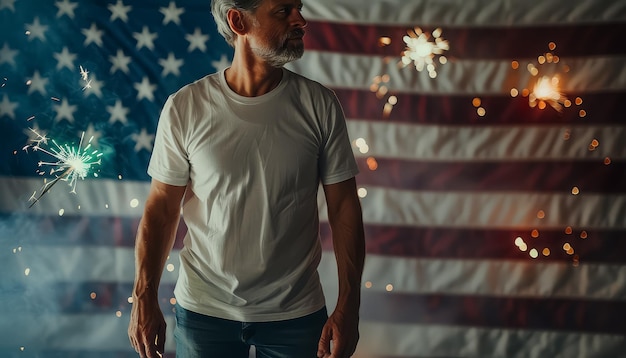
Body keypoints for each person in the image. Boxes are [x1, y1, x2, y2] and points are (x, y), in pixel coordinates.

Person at [127, 0, 365, 357]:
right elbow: (161, 210)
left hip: (296, 314)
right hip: (204, 311)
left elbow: (345, 209)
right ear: (238, 21)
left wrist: (350, 305)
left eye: (299, 8)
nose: (301, 20)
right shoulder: (186, 106)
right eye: (284, 11)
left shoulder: (320, 105)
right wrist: (143, 298)